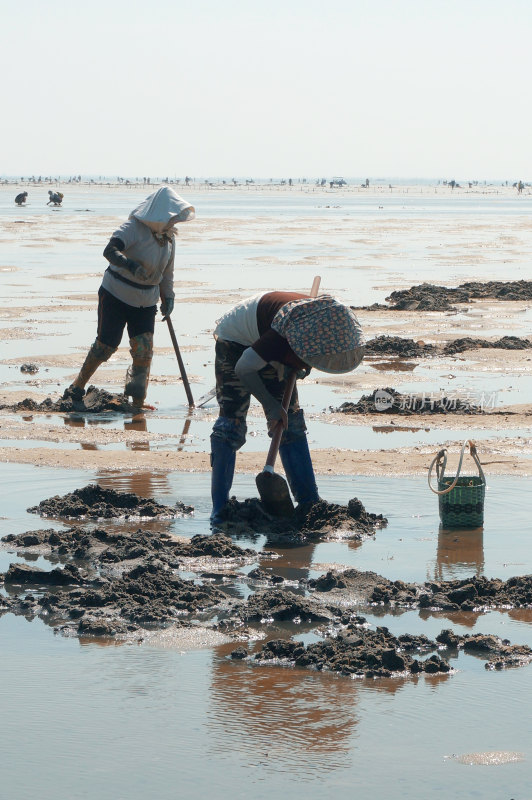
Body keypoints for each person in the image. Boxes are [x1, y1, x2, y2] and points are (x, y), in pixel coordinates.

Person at [210, 291, 365, 524]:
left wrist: (302, 366)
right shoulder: (282, 338)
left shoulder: (320, 324)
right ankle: (219, 509)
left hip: (273, 343)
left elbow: (315, 354)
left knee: (290, 422)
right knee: (231, 424)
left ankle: (309, 501)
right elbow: (243, 368)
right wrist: (271, 406)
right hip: (236, 342)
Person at [63, 187, 195, 409]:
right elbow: (110, 250)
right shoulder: (134, 227)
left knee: (144, 350)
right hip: (116, 293)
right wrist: (130, 265)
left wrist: (168, 297)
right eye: (171, 218)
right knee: (106, 345)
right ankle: (77, 387)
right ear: (160, 214)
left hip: (146, 301)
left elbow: (167, 273)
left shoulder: (169, 239)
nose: (174, 223)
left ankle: (137, 401)